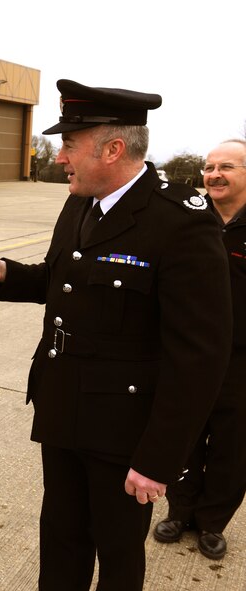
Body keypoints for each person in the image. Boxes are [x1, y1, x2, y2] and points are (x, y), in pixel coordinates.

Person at [0, 79, 232, 590]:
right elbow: (63, 279)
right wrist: (8, 274)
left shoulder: (179, 221)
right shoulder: (83, 201)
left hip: (124, 431)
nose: (61, 156)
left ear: (112, 149)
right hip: (64, 408)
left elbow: (199, 357)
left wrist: (157, 460)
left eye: (69, 144)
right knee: (60, 540)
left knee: (117, 553)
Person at [153, 139, 246, 559]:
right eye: (209, 167)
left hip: (241, 361)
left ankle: (212, 522)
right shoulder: (190, 218)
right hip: (187, 353)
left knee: (233, 445)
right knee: (184, 433)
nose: (214, 174)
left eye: (226, 166)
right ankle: (180, 510)